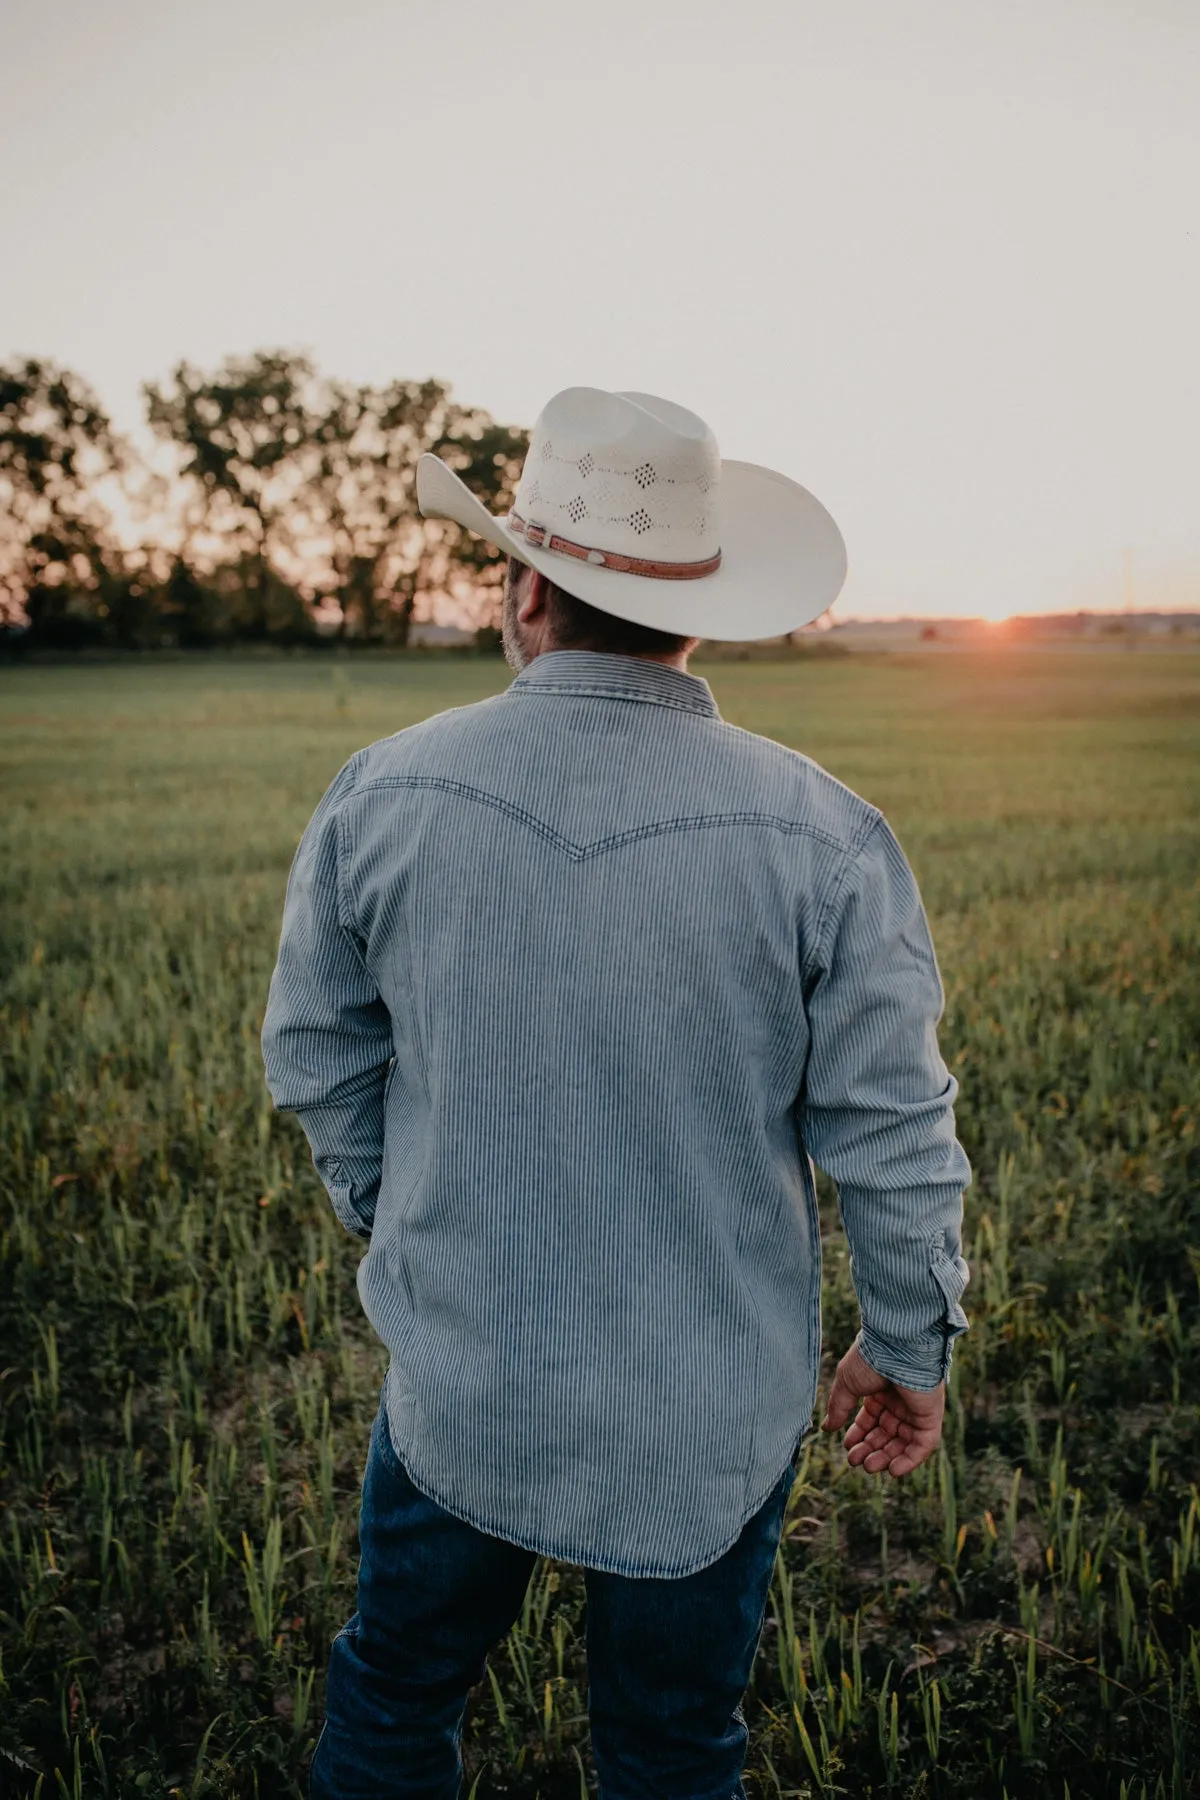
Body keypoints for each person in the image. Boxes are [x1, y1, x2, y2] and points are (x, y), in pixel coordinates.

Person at [261, 386, 971, 1800]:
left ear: (526, 587)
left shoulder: (379, 793)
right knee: (668, 1745)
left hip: (462, 1384)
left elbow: (318, 1056)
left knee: (397, 1698)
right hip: (707, 1415)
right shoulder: (823, 833)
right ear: (694, 609)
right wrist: (909, 1343)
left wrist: (399, 1210)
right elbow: (895, 1135)